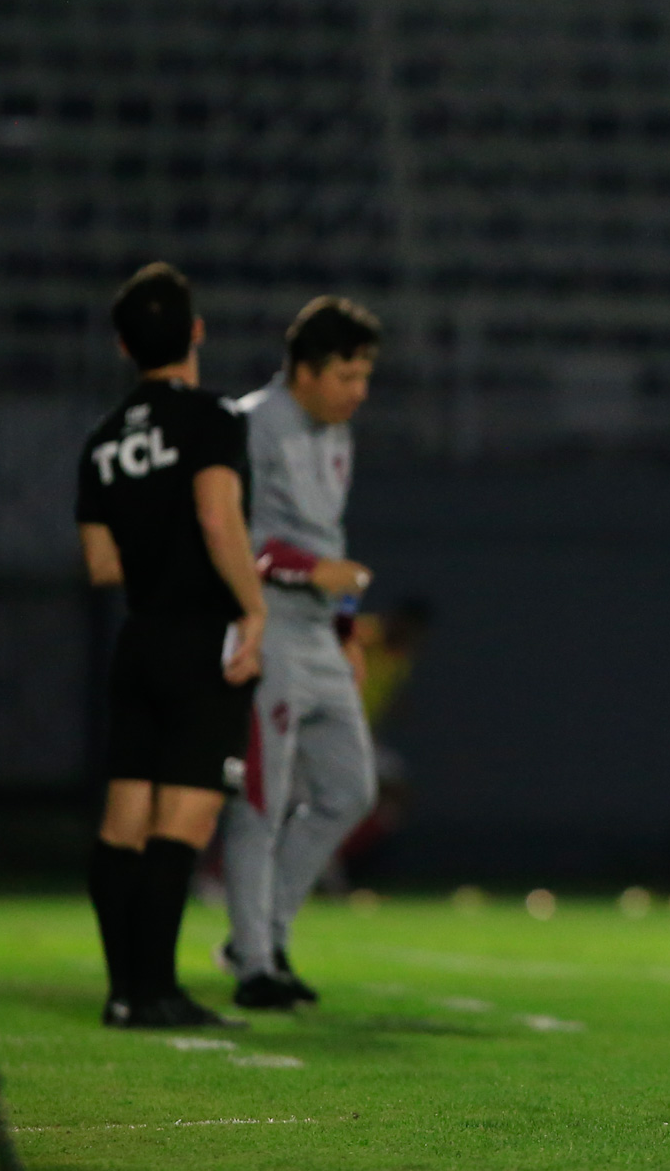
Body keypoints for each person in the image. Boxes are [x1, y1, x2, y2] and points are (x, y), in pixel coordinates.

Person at [76, 262, 265, 1029]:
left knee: (123, 820)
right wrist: (252, 610)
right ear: (196, 330)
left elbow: (101, 564)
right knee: (182, 824)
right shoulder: (212, 417)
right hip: (198, 643)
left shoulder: (100, 443)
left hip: (140, 638)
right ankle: (156, 989)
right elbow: (219, 517)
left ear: (124, 345)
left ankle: (124, 990)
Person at [219, 297, 382, 1009]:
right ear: (305, 371)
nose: (358, 391)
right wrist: (309, 574)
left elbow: (331, 545)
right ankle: (254, 959)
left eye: (364, 375)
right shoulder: (249, 423)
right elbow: (228, 533)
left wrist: (347, 631)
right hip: (267, 627)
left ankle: (266, 935)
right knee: (263, 797)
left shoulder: (338, 434)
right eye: (347, 375)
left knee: (350, 790)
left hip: (319, 632)